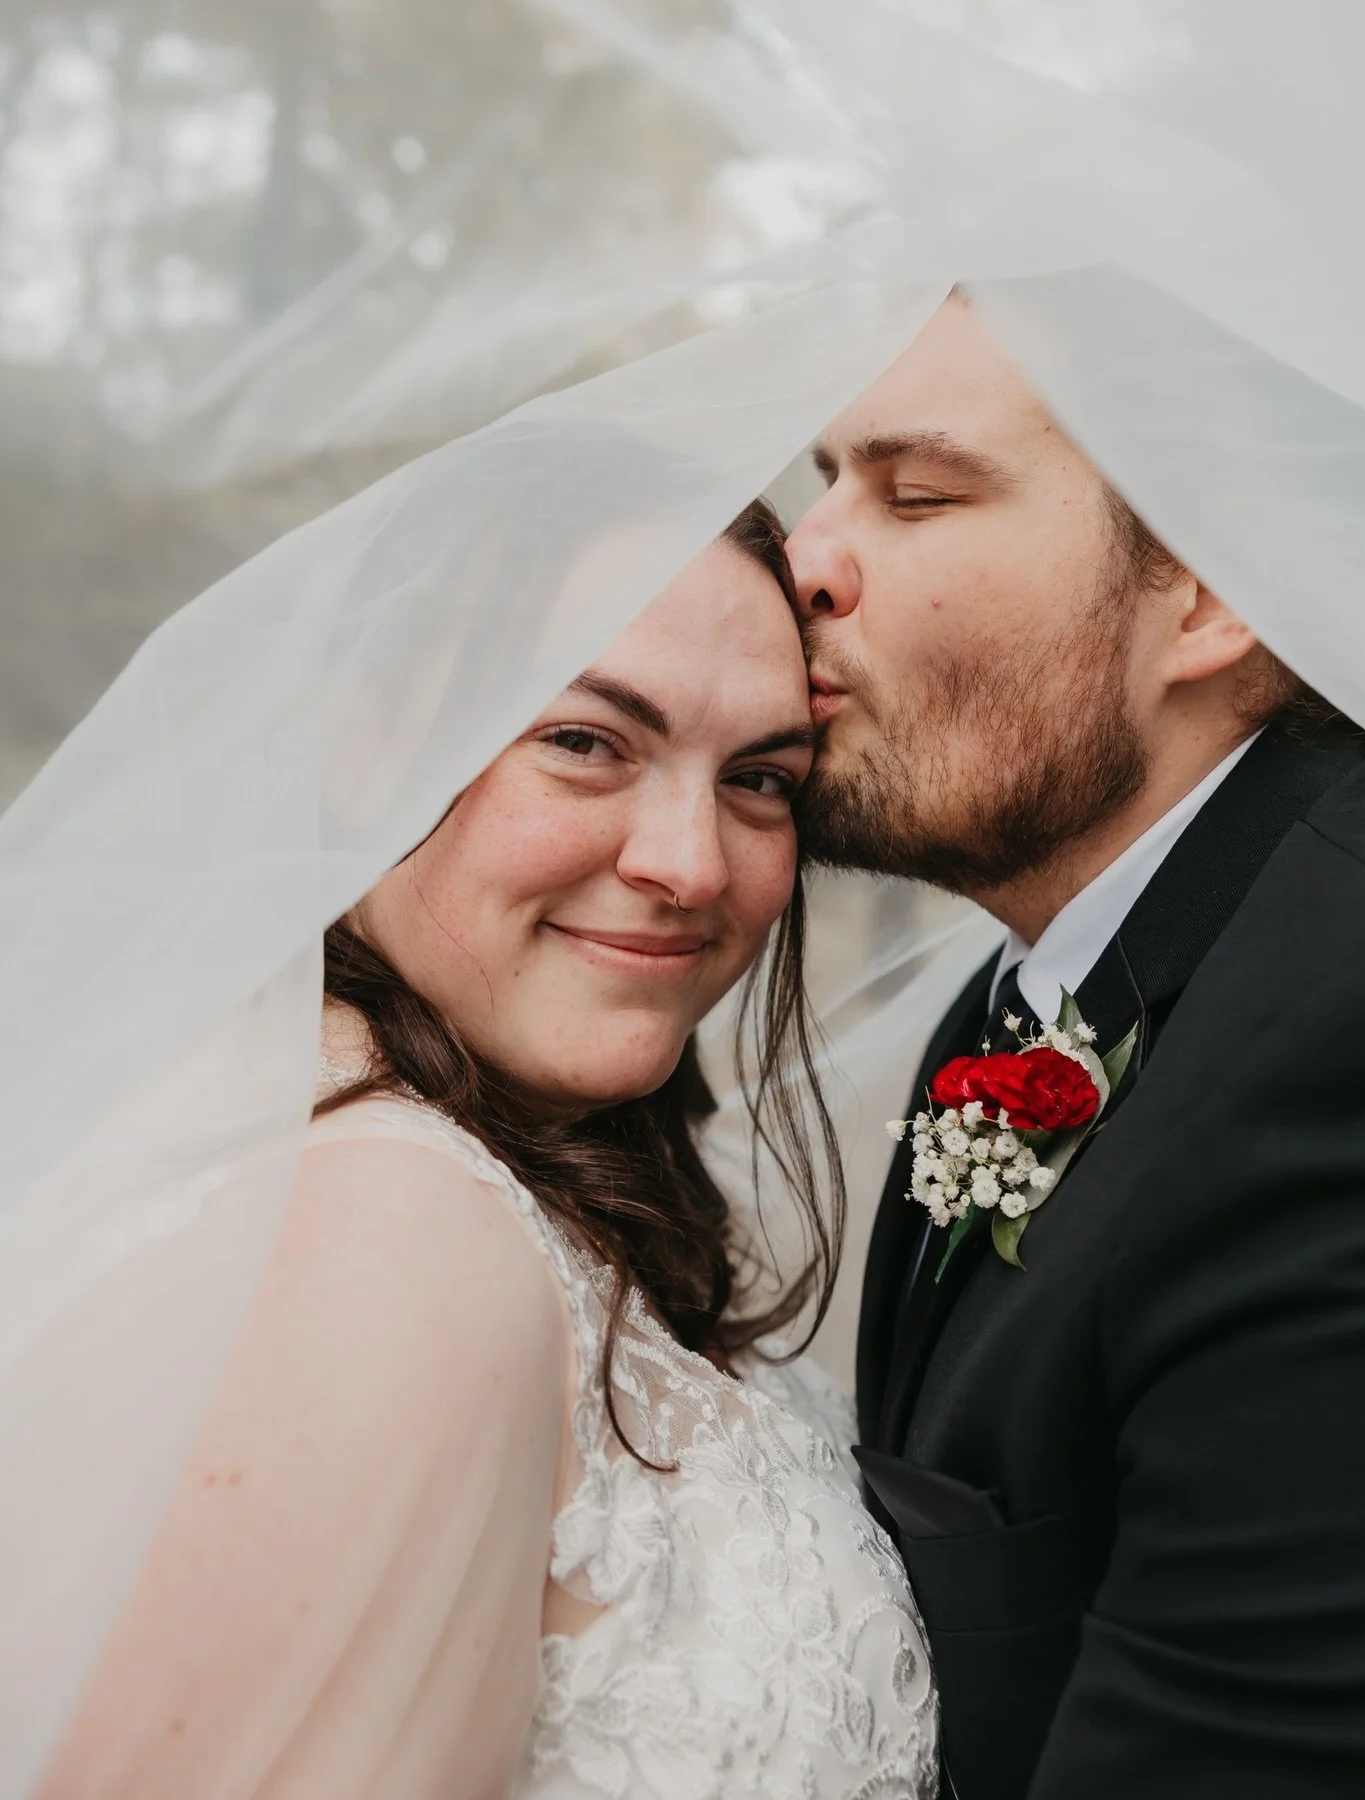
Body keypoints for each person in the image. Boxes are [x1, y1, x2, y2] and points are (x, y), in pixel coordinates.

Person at [39, 501, 937, 1800]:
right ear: (366, 749)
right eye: (584, 742)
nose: (691, 865)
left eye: (759, 781)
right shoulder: (390, 1230)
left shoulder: (455, 1168)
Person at [790, 293, 1365, 1799]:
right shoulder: (1047, 984)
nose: (805, 560)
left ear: (1212, 592)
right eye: (821, 485)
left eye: (920, 493)